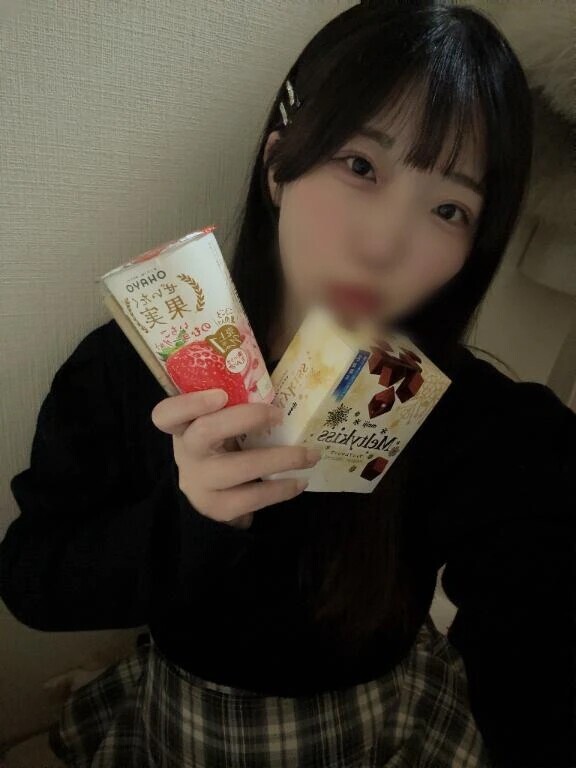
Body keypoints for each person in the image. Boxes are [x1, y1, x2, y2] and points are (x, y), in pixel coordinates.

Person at [1, 3, 574, 767]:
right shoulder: (128, 369)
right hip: (186, 718)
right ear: (279, 167)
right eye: (361, 167)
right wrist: (191, 518)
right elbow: (33, 583)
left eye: (449, 208)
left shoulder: (474, 421)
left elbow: (531, 648)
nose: (385, 243)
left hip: (384, 721)